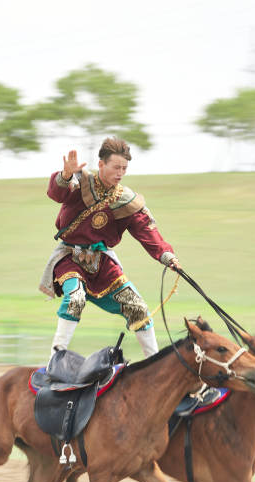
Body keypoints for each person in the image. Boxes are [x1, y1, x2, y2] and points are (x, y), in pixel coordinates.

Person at [39, 137, 181, 358]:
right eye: (116, 167)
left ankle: (154, 363)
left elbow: (146, 231)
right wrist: (65, 175)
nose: (120, 172)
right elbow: (57, 194)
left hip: (102, 262)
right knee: (75, 297)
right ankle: (55, 359)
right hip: (70, 258)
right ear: (102, 164)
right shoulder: (80, 182)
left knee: (138, 307)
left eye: (124, 168)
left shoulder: (127, 200)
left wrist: (167, 256)